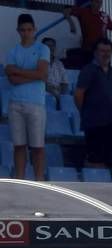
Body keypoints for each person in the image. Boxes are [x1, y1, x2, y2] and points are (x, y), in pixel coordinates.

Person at [3, 13, 49, 182]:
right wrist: (35, 74)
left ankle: (39, 181)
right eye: (23, 30)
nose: (26, 33)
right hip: (16, 103)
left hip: (36, 104)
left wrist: (17, 70)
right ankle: (20, 181)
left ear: (34, 30)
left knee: (38, 147)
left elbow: (43, 73)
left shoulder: (43, 49)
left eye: (29, 29)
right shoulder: (12, 52)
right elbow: (12, 79)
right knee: (19, 146)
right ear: (18, 31)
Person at [74, 38, 112, 169]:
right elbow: (78, 94)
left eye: (108, 51)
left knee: (106, 159)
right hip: (94, 123)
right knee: (94, 159)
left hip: (109, 122)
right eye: (102, 51)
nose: (105, 54)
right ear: (95, 53)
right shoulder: (89, 70)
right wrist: (85, 112)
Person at [64, 0, 112, 68]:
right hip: (87, 49)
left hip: (102, 51)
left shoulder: (104, 16)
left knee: (103, 72)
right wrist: (71, 24)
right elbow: (66, 10)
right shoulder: (84, 11)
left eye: (100, 2)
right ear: (91, 2)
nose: (99, 4)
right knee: (87, 71)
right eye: (97, 2)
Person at [42, 37, 69, 108]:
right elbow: (40, 83)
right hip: (45, 94)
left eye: (52, 46)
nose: (50, 48)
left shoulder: (59, 64)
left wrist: (61, 96)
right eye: (48, 46)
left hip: (58, 93)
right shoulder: (37, 63)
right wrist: (55, 94)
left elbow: (65, 83)